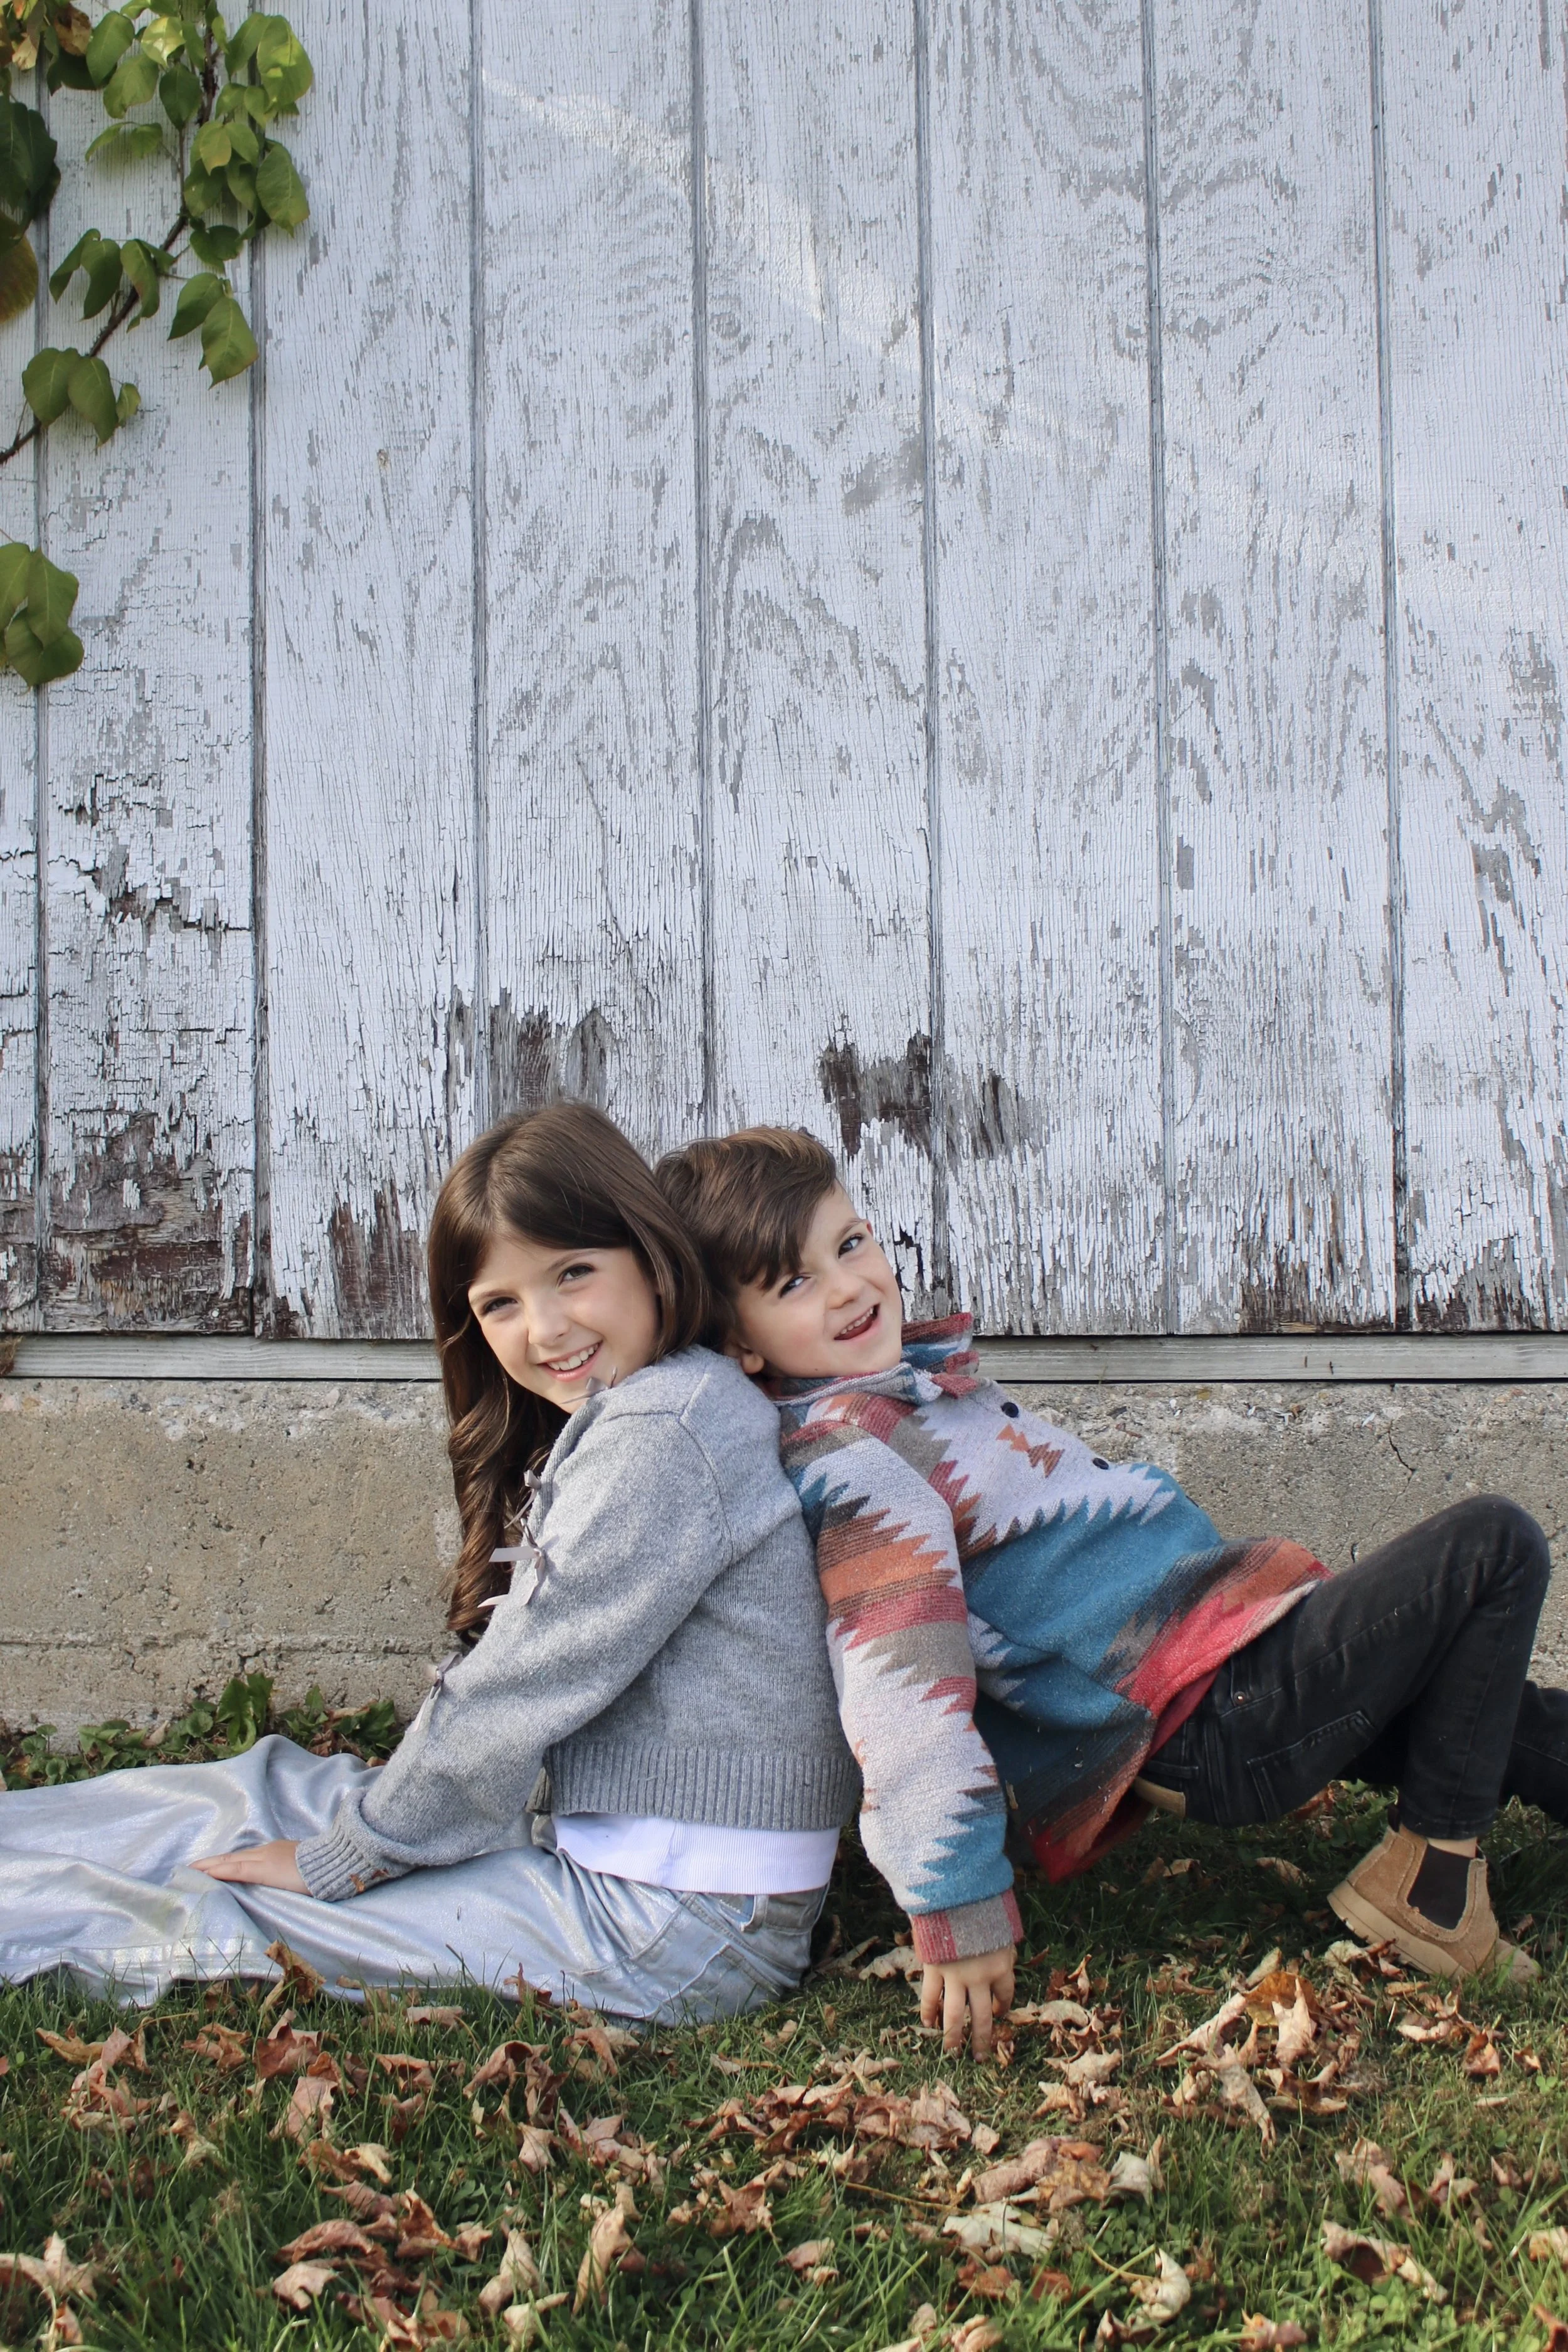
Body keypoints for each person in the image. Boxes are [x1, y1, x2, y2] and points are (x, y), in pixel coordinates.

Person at [656, 1125, 1568, 2055]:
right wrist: (957, 1898)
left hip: (1225, 1656)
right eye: (794, 1283)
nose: (850, 1285)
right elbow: (902, 1684)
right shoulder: (857, 1461)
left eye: (849, 1243)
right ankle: (1434, 1886)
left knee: (1494, 1709)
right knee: (1490, 1548)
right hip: (1209, 1711)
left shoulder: (907, 1396)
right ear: (739, 1343)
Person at [0, 1105, 857, 2013]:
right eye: (500, 1303)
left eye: (574, 1272)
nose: (547, 1327)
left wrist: (355, 1854)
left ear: (649, 1255)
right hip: (604, 1853)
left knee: (234, 1905)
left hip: (678, 1921)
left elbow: (525, 1677)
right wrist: (378, 1824)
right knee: (258, 1790)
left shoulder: (670, 1430)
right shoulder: (654, 1407)